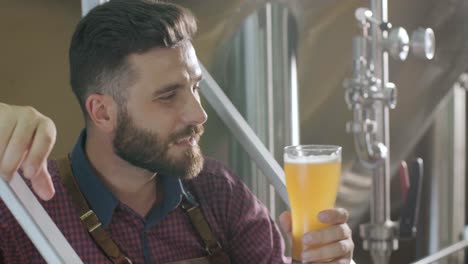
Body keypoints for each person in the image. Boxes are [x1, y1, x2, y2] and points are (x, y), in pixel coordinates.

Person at [0, 1, 354, 263]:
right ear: (102, 112)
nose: (198, 114)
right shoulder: (24, 212)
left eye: (195, 87)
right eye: (168, 96)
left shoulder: (218, 193)